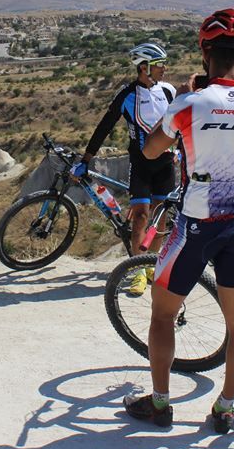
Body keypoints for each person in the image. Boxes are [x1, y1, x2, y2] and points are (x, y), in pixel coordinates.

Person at [122, 9, 234, 433]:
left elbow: (154, 150)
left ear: (204, 53)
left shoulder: (188, 104)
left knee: (161, 315)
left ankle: (159, 404)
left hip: (196, 225)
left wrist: (183, 101)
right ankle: (225, 408)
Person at [70, 42, 176, 291]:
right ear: (143, 68)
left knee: (161, 216)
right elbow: (105, 126)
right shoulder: (127, 95)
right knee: (140, 217)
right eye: (159, 64)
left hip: (166, 162)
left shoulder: (169, 91)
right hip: (140, 163)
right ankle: (138, 270)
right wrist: (86, 158)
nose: (164, 68)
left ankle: (152, 265)